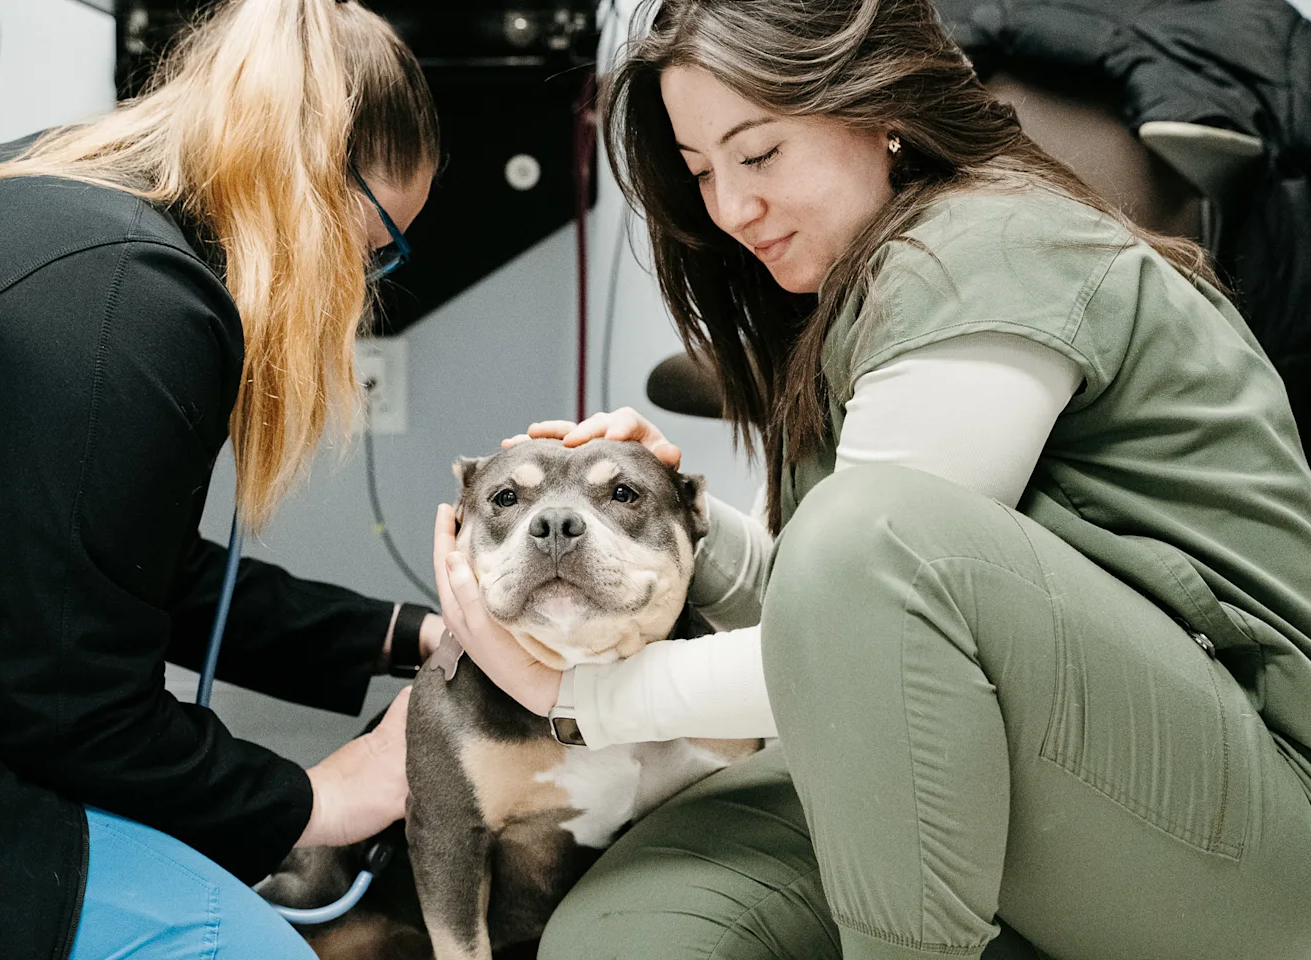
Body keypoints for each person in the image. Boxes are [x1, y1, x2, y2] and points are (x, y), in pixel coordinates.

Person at [433, 1, 1311, 958]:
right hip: (1023, 763)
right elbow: (843, 622)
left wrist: (579, 699)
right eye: (702, 173)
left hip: (1245, 812)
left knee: (865, 535)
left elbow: (864, 599)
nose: (730, 209)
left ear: (879, 108)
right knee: (627, 939)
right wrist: (669, 523)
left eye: (758, 154)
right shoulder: (857, 294)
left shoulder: (989, 255)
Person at [0, 1, 446, 957]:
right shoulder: (131, 297)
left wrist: (409, 635)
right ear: (314, 179)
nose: (362, 286)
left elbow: (106, 573)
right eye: (378, 246)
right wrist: (320, 798)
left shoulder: (67, 206)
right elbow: (71, 706)